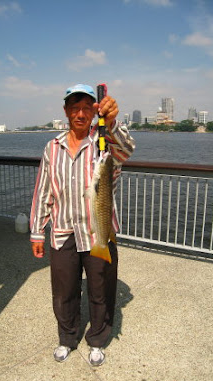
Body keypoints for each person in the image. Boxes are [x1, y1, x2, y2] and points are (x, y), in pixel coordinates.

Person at [30, 84, 135, 366]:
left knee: (101, 290)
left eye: (86, 108)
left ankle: (98, 339)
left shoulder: (104, 145)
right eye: (74, 108)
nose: (80, 113)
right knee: (64, 291)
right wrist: (37, 231)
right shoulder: (52, 147)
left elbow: (126, 148)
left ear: (94, 112)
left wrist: (111, 122)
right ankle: (67, 338)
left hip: (98, 232)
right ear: (65, 111)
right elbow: (44, 191)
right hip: (63, 231)